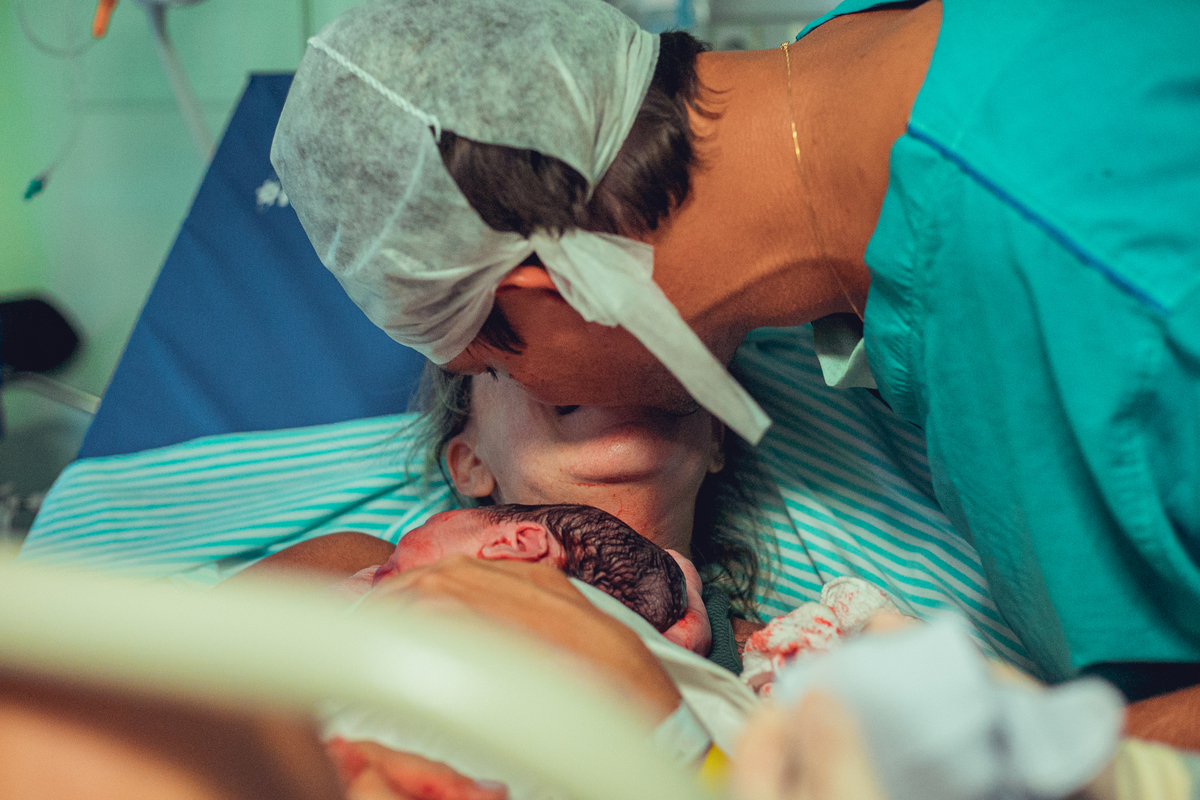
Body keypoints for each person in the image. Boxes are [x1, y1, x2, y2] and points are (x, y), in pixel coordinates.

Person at [272, 0, 1200, 736]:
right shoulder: (898, 65)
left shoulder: (1115, 302)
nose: (551, 393)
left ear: (552, 288)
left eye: (485, 359)